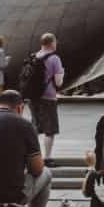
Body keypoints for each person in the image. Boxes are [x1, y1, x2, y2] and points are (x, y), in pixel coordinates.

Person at [31, 32, 64, 160]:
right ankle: (48, 157)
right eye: (55, 42)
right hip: (48, 97)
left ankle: (33, 156)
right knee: (49, 129)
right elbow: (58, 82)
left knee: (36, 127)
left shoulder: (34, 56)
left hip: (33, 97)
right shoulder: (54, 58)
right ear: (52, 43)